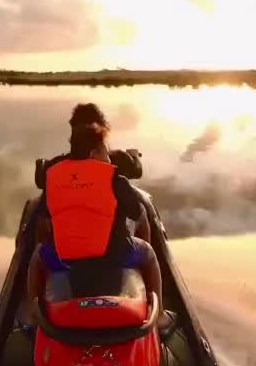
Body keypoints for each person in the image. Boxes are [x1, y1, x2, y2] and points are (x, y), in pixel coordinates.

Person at [26, 103, 162, 317]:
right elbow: (137, 212)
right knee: (148, 250)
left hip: (64, 257)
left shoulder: (55, 173)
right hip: (115, 255)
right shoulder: (115, 175)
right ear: (96, 151)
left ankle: (32, 311)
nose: (108, 157)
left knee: (37, 256)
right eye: (104, 152)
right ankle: (158, 310)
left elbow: (43, 219)